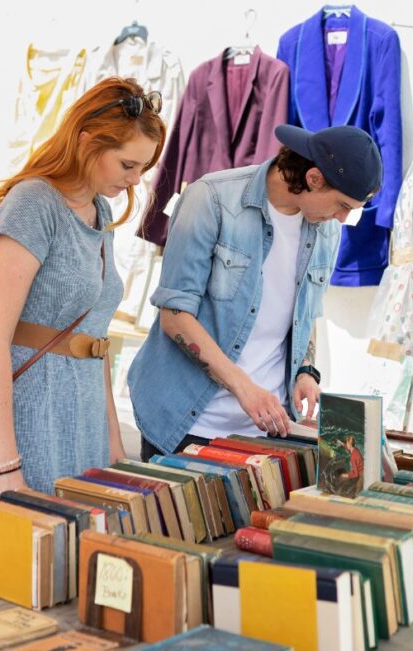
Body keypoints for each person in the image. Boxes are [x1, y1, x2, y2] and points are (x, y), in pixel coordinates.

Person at [129, 125, 382, 460]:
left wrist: (305, 370)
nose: (343, 217)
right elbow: (175, 316)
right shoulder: (211, 199)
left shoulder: (326, 229)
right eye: (342, 204)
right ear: (314, 178)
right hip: (185, 421)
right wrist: (244, 388)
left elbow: (307, 310)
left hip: (265, 430)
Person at [0, 77, 166, 505]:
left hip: (86, 419)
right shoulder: (33, 204)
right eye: (127, 165)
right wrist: (3, 462)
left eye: (142, 169)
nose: (134, 181)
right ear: (87, 141)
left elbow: (95, 340)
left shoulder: (100, 210)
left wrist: (113, 447)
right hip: (31, 416)